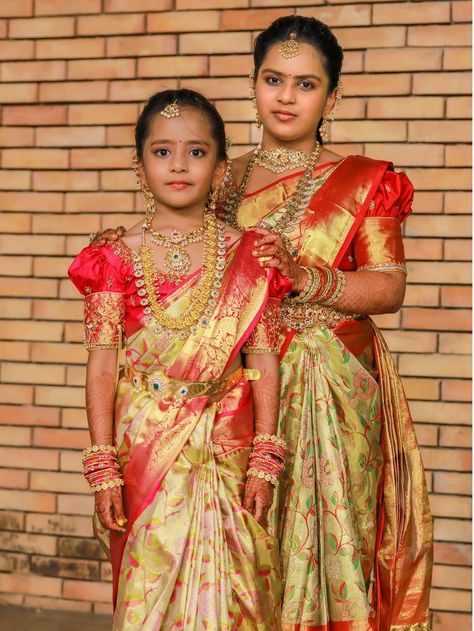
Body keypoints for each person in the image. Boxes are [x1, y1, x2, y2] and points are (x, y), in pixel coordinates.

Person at [95, 16, 433, 631]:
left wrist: (306, 279)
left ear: (332, 97)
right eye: (273, 79)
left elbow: (389, 287)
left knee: (328, 543)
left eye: (305, 84)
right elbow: (178, 253)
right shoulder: (221, 175)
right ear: (253, 85)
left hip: (328, 388)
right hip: (231, 397)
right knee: (235, 554)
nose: (285, 95)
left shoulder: (366, 181)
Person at [69, 88, 290, 630]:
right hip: (143, 445)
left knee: (233, 584)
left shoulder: (252, 255)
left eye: (197, 151)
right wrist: (102, 467)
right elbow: (101, 365)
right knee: (150, 579)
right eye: (162, 151)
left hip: (224, 449)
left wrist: (265, 457)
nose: (179, 164)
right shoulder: (113, 256)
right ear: (140, 166)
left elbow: (262, 357)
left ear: (219, 166)